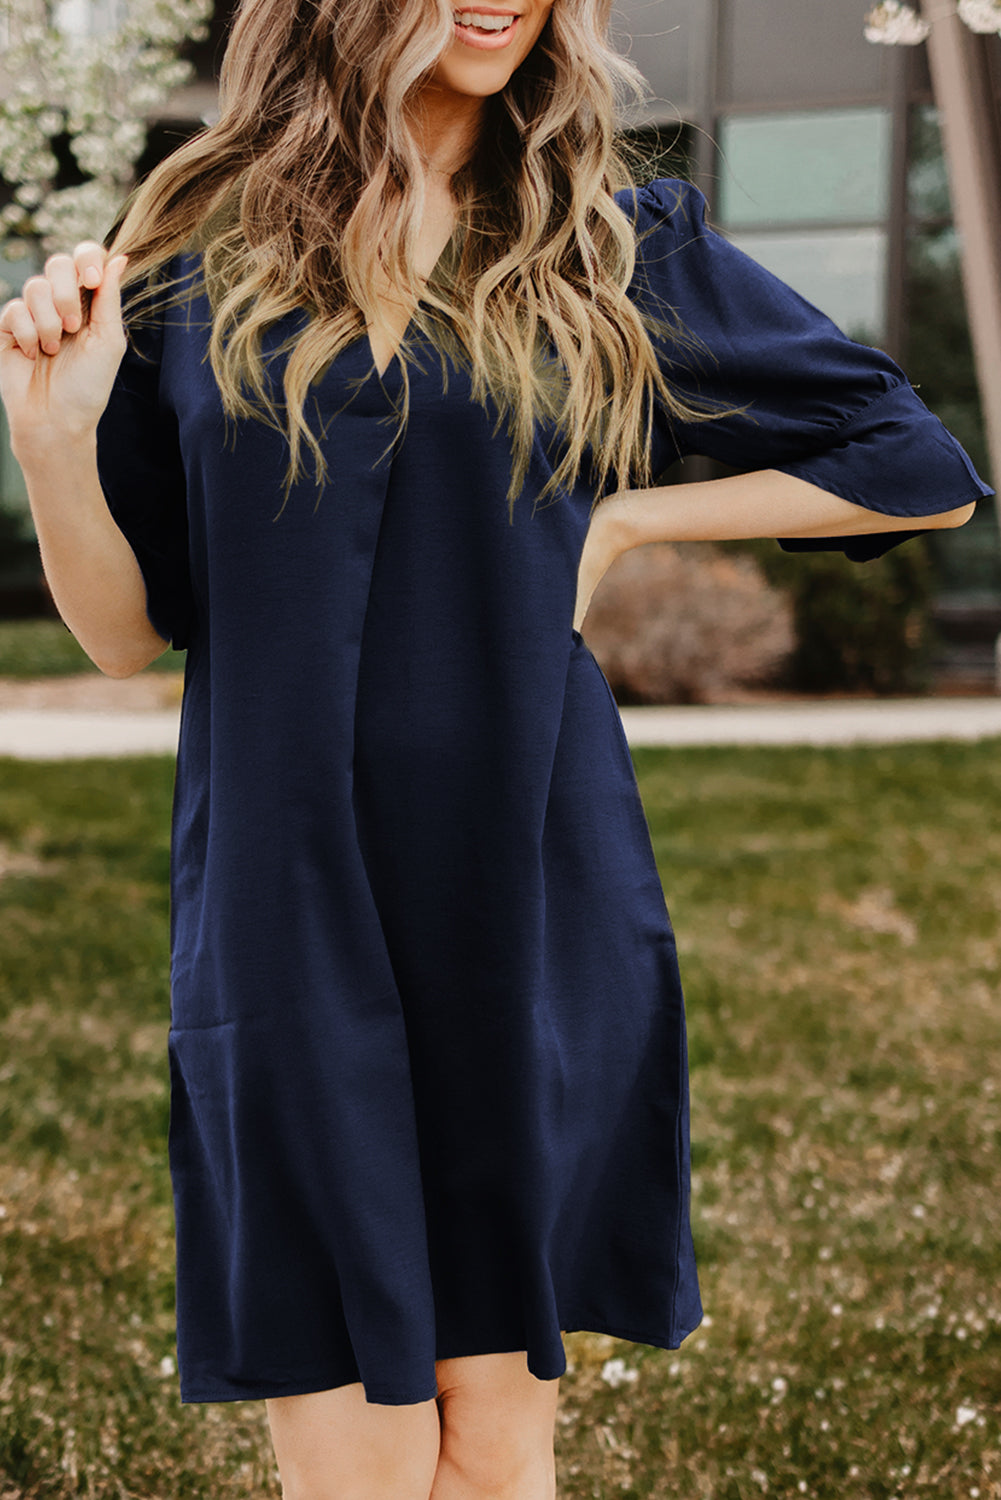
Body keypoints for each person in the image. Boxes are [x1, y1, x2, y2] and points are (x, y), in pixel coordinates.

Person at [0, 0, 991, 1491]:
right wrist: (52, 443)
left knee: (498, 1431)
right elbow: (129, 632)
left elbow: (914, 466)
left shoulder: (604, 242)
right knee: (355, 1435)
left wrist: (632, 513)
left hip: (527, 873)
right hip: (287, 893)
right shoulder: (197, 261)